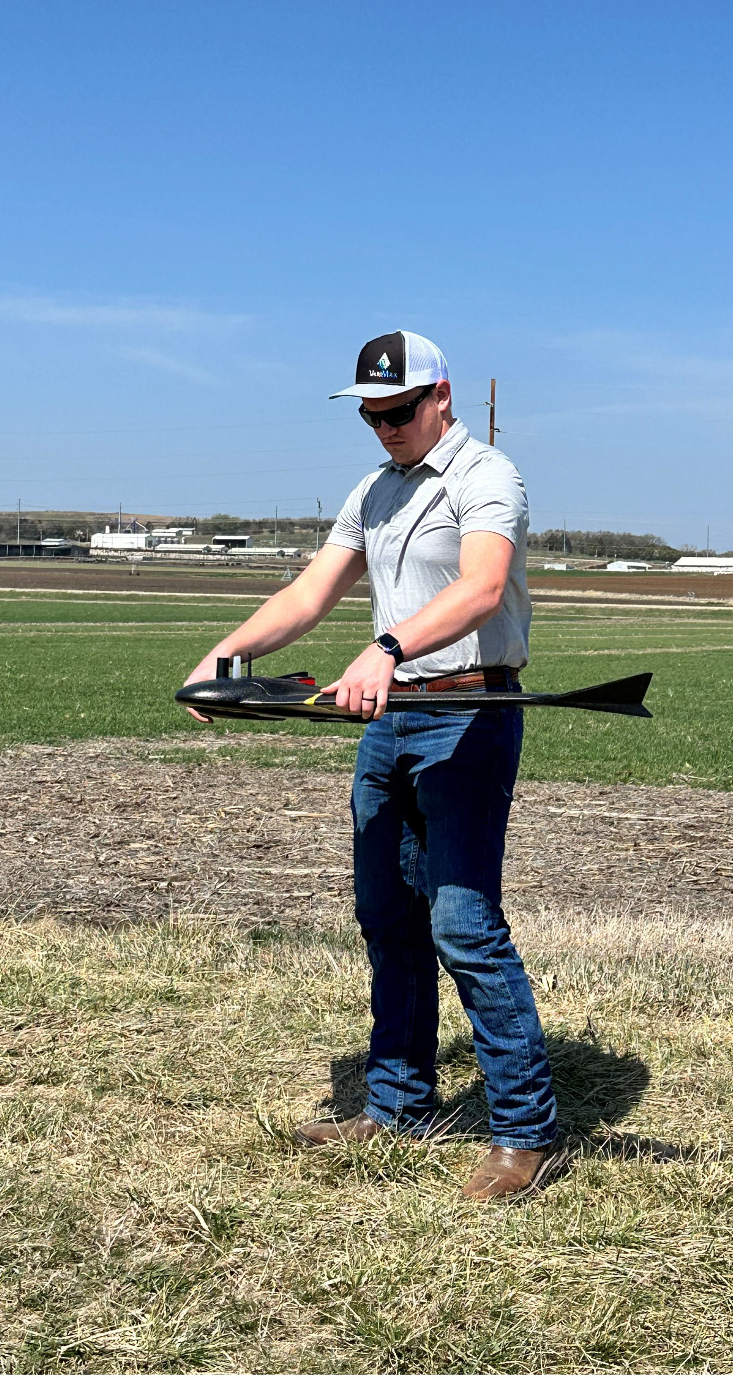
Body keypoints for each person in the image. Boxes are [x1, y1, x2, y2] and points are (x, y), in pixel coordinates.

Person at [181, 330, 558, 1200]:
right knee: (388, 916)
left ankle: (526, 1132)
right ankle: (397, 1106)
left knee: (463, 924)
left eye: (398, 411)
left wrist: (387, 646)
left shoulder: (485, 477)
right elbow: (311, 594)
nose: (384, 428)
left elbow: (482, 588)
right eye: (370, 416)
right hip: (388, 722)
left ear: (442, 398)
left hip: (467, 710)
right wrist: (225, 658)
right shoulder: (374, 492)